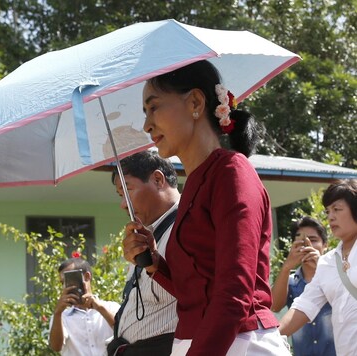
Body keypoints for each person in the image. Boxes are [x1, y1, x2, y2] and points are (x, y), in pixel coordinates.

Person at [123, 60, 290, 355]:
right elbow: (196, 292)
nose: (147, 125)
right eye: (145, 113)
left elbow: (234, 294)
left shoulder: (231, 173)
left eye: (154, 107)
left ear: (195, 102)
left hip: (239, 342)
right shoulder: (195, 185)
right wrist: (153, 263)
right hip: (198, 342)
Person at [107, 151, 179, 355]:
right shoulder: (144, 236)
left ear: (157, 179)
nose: (123, 205)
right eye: (121, 196)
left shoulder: (189, 225)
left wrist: (154, 265)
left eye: (127, 191)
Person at [279, 179, 357, 355]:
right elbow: (305, 305)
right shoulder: (327, 263)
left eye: (337, 209)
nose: (330, 217)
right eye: (328, 211)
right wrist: (271, 336)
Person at [271, 217, 335, 355]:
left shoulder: (337, 276)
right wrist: (287, 266)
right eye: (301, 241)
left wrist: (322, 267)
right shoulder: (290, 281)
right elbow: (274, 306)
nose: (307, 246)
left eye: (313, 240)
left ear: (325, 245)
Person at [48, 257, 120, 355]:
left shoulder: (112, 308)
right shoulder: (61, 317)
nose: (65, 286)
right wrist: (57, 313)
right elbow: (56, 347)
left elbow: (124, 333)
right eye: (62, 283)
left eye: (69, 279)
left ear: (86, 277)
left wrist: (99, 308)